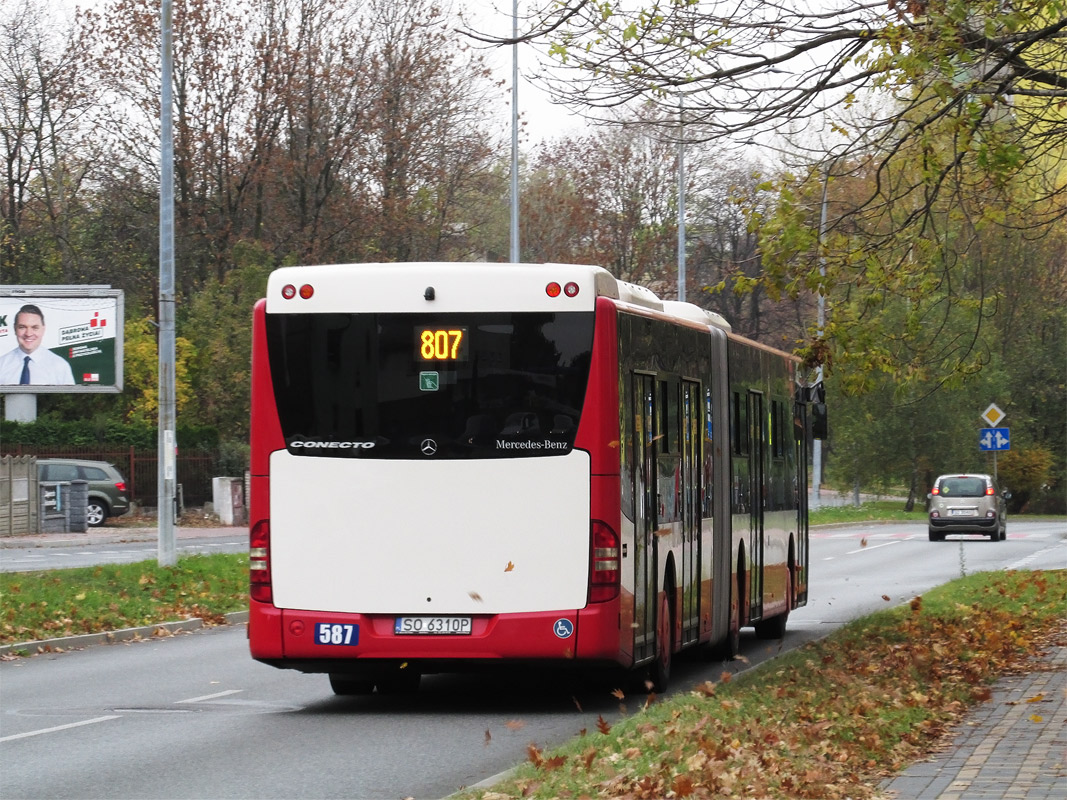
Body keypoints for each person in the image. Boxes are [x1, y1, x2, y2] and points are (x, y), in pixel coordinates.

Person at [0, 304, 75, 385]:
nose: (28, 334)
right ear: (15, 329)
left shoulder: (60, 366)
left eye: (35, 328)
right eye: (22, 327)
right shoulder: (2, 364)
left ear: (43, 329)